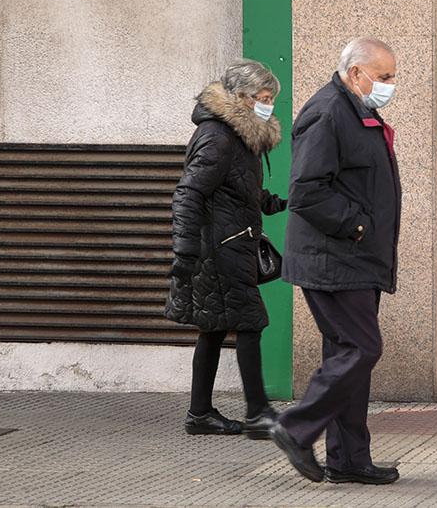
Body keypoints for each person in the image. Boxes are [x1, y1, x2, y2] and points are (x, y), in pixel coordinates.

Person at [269, 37, 402, 486]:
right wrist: (359, 226)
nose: (389, 85)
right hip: (336, 259)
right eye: (383, 77)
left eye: (392, 76)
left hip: (354, 259)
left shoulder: (356, 107)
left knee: (349, 357)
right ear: (355, 72)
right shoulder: (328, 111)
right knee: (361, 350)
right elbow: (306, 192)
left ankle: (348, 460)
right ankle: (295, 427)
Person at [165, 59, 287, 439]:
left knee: (214, 329)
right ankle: (257, 414)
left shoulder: (238, 135)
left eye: (271, 98)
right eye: (263, 98)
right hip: (219, 249)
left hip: (229, 243)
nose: (268, 105)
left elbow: (236, 189)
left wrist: (274, 202)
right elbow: (188, 193)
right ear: (240, 98)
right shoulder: (219, 136)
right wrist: (185, 250)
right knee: (250, 322)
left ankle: (200, 414)